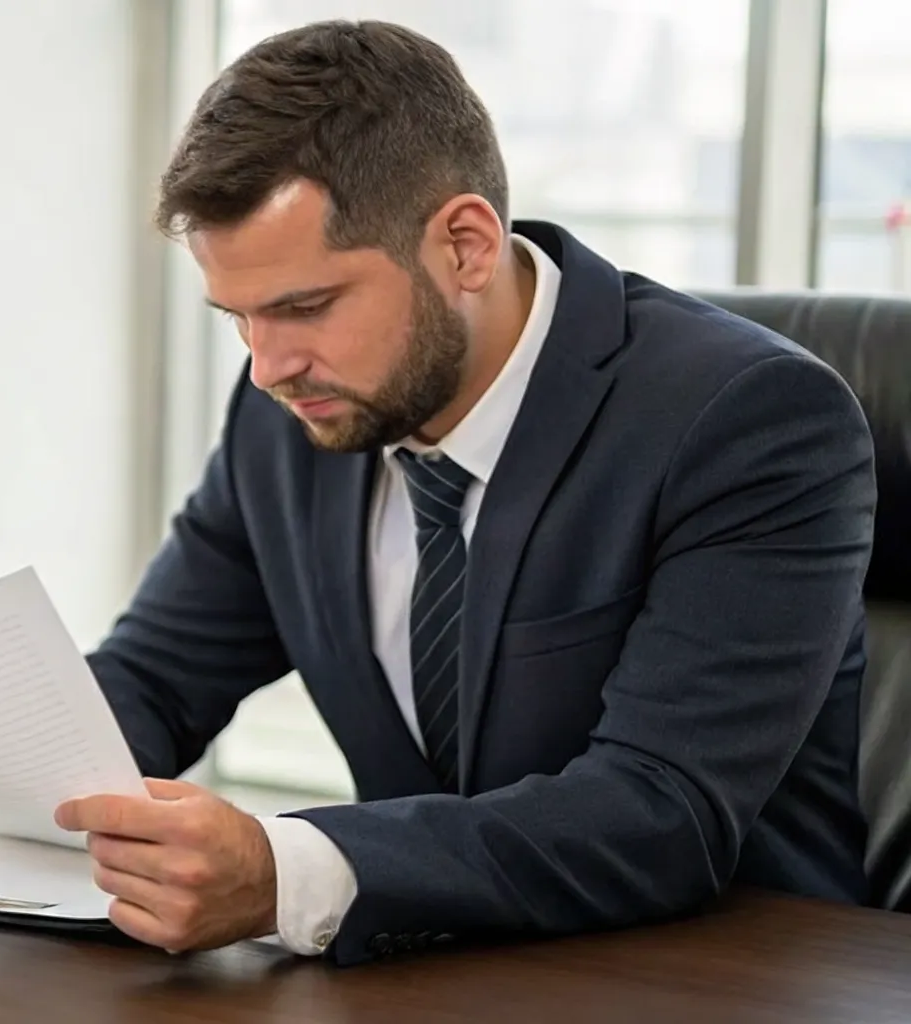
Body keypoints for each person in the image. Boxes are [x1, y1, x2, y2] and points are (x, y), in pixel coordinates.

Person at [53, 20, 877, 966]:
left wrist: (287, 870)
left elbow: (662, 809)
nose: (268, 364)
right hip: (426, 973)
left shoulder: (749, 419)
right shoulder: (296, 410)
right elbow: (156, 678)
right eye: (238, 316)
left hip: (705, 977)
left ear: (466, 246)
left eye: (305, 307)